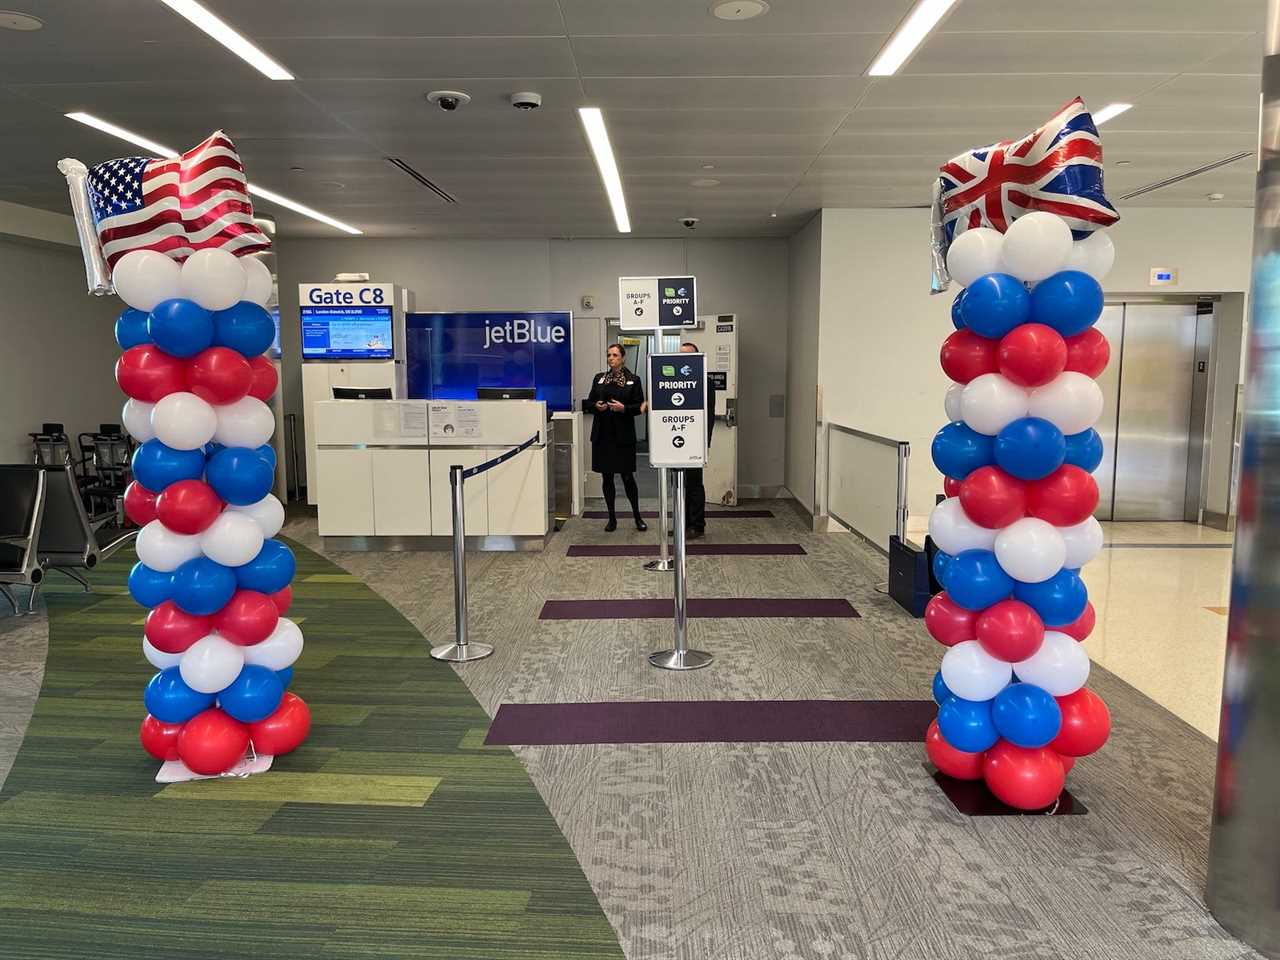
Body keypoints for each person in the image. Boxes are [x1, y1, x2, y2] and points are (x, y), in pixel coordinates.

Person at [583, 343, 648, 532]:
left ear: (623, 357)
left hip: (623, 436)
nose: (611, 358)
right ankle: (612, 518)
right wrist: (597, 406)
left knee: (628, 477)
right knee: (607, 478)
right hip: (603, 435)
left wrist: (624, 408)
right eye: (609, 355)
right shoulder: (599, 378)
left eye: (615, 355)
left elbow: (640, 406)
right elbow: (588, 402)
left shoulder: (633, 380)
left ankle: (637, 516)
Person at [679, 341, 716, 539]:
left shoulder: (705, 381)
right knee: (679, 484)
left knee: (694, 484)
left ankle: (697, 525)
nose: (683, 359)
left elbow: (708, 416)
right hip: (677, 440)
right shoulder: (675, 379)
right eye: (680, 355)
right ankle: (683, 524)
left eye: (688, 355)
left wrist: (704, 443)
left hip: (695, 441)